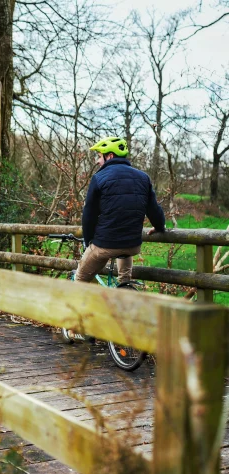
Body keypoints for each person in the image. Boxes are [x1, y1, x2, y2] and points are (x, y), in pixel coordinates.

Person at [66, 136, 166, 341]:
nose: (97, 161)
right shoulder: (143, 177)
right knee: (124, 276)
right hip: (132, 245)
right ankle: (125, 302)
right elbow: (154, 210)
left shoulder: (99, 178)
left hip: (105, 244)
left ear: (110, 156)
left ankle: (76, 327)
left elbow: (89, 215)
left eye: (99, 157)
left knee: (81, 278)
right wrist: (159, 227)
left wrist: (88, 242)